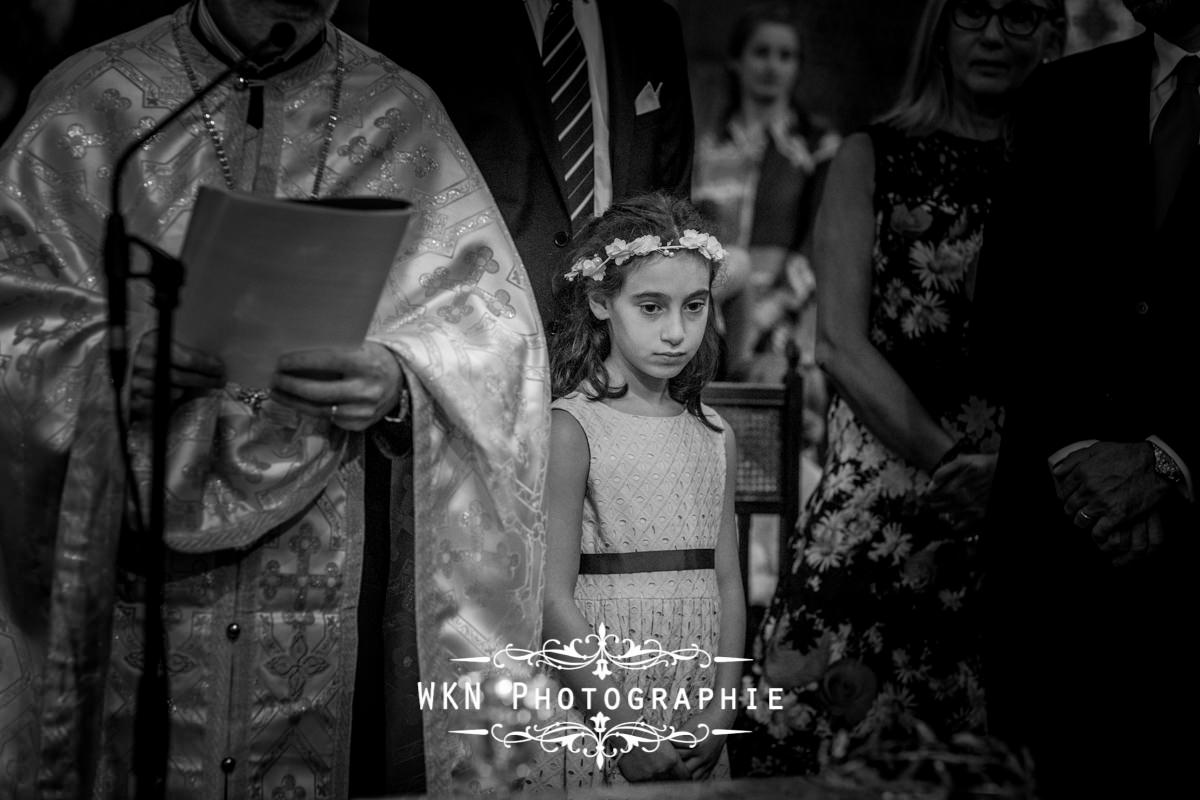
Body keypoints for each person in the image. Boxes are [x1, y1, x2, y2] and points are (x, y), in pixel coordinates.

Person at [0, 1, 548, 798]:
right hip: (133, 544)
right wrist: (106, 367)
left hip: (325, 538)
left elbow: (496, 337)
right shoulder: (96, 102)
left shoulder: (399, 110)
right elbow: (15, 318)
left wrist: (399, 382)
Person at [735, 0, 1063, 777]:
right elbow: (840, 343)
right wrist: (960, 468)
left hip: (1023, 506)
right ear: (938, 28)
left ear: (1054, 35)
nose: (993, 33)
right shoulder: (869, 153)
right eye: (973, 11)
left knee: (996, 763)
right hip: (882, 500)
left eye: (1020, 15)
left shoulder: (1071, 160)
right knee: (836, 760)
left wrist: (1011, 481)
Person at [973, 0, 1200, 795]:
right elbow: (1006, 305)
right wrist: (1075, 456)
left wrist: (1171, 458)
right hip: (1055, 563)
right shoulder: (1063, 93)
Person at [527, 193, 745, 790]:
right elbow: (551, 598)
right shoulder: (574, 427)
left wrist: (723, 707)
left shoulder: (714, 434)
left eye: (694, 307)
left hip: (694, 699)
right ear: (601, 301)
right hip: (603, 701)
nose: (676, 332)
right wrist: (622, 726)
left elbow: (728, 579)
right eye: (651, 307)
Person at [368, 0, 695, 324]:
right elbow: (402, 181)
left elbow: (670, 201)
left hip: (622, 336)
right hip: (479, 326)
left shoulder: (653, 24)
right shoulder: (424, 18)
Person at [692, 2, 840, 385]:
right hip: (713, 312)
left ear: (797, 67)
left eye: (785, 56)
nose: (772, 66)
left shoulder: (817, 147)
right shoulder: (707, 147)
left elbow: (820, 242)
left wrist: (764, 313)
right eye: (761, 53)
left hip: (785, 321)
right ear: (736, 61)